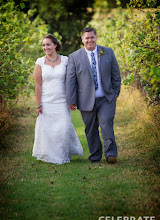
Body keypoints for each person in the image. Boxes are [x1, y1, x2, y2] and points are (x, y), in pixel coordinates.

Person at [66, 27, 121, 163]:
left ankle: (110, 154)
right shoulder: (74, 57)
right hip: (85, 100)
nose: (90, 40)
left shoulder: (107, 52)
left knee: (106, 123)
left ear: (96, 37)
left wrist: (115, 93)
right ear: (82, 39)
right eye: (87, 38)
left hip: (106, 98)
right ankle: (95, 156)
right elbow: (71, 80)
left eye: (92, 37)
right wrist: (71, 100)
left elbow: (116, 75)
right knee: (90, 129)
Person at [32, 34, 83, 165]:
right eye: (43, 45)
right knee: (48, 130)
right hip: (47, 101)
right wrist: (39, 105)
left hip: (62, 101)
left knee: (64, 128)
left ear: (55, 45)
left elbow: (71, 81)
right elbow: (38, 85)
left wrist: (72, 100)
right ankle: (50, 155)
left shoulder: (66, 60)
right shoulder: (40, 62)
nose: (45, 47)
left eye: (48, 44)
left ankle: (62, 155)